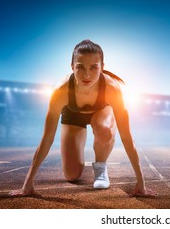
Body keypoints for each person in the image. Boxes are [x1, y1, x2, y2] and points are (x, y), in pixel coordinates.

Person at [10, 39, 156, 197]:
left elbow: (127, 137)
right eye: (80, 67)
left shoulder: (112, 89)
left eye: (94, 67)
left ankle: (100, 167)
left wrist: (141, 183)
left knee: (104, 129)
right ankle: (76, 159)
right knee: (72, 175)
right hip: (73, 116)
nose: (87, 75)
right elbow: (47, 138)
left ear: (102, 68)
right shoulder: (61, 91)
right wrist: (27, 184)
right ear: (72, 67)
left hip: (101, 113)